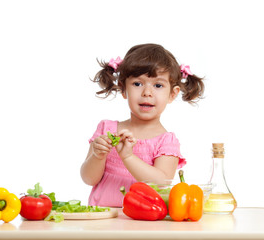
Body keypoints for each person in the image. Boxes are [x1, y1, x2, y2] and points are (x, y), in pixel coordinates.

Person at [80, 43, 204, 207]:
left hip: (146, 222)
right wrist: (98, 156)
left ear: (172, 94)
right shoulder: (107, 129)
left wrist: (128, 157)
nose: (147, 92)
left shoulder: (166, 141)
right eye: (137, 84)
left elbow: (161, 183)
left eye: (158, 85)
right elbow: (89, 179)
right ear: (123, 89)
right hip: (103, 218)